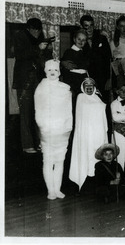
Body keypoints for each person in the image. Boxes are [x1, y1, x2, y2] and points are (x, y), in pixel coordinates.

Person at [13, 17, 53, 153]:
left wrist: (47, 49)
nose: (37, 33)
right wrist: (38, 48)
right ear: (28, 29)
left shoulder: (41, 37)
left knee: (40, 112)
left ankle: (40, 142)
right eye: (34, 30)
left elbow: (45, 60)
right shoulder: (20, 36)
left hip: (38, 80)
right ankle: (27, 145)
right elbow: (19, 55)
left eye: (39, 30)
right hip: (24, 81)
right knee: (25, 113)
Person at [34, 59, 72, 199]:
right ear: (45, 71)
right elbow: (38, 109)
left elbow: (68, 110)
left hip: (62, 129)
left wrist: (68, 127)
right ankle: (50, 190)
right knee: (48, 160)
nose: (52, 72)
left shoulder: (65, 88)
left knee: (60, 160)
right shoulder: (41, 88)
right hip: (48, 130)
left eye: (55, 70)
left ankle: (57, 189)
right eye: (49, 70)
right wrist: (42, 127)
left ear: (59, 72)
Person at [69, 78, 109, 191]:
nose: (89, 87)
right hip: (85, 134)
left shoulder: (98, 98)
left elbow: (104, 112)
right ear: (83, 87)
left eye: (91, 85)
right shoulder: (80, 98)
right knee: (86, 156)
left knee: (97, 156)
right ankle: (85, 183)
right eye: (87, 85)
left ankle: (99, 182)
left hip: (98, 133)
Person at [79, 15, 112, 103]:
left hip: (103, 79)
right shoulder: (79, 41)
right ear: (82, 27)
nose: (89, 29)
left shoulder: (102, 38)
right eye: (86, 26)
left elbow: (108, 59)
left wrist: (109, 79)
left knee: (104, 103)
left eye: (91, 25)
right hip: (87, 79)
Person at [61, 29, 89, 101]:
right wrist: (69, 86)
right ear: (74, 39)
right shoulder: (69, 52)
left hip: (83, 81)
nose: (81, 41)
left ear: (86, 42)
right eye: (79, 39)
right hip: (73, 81)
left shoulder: (85, 53)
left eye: (83, 40)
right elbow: (65, 71)